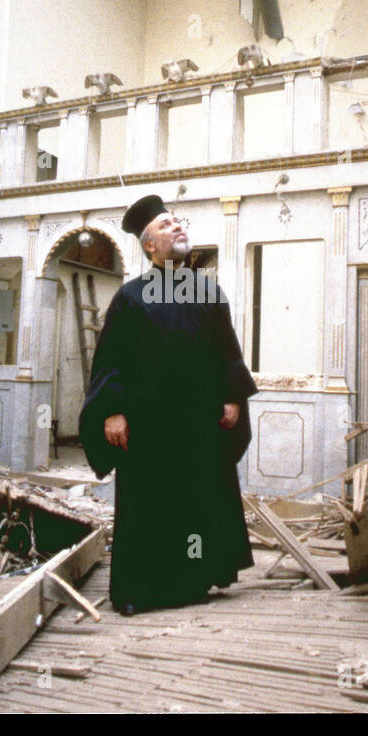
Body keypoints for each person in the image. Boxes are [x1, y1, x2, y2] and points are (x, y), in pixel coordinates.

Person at [79, 194, 257, 615]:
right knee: (150, 507)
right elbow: (110, 361)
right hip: (148, 430)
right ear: (149, 246)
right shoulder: (131, 297)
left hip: (199, 426)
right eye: (165, 225)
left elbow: (226, 350)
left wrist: (233, 396)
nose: (177, 227)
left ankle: (194, 581)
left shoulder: (208, 292)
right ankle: (143, 590)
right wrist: (112, 411)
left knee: (198, 500)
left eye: (179, 222)